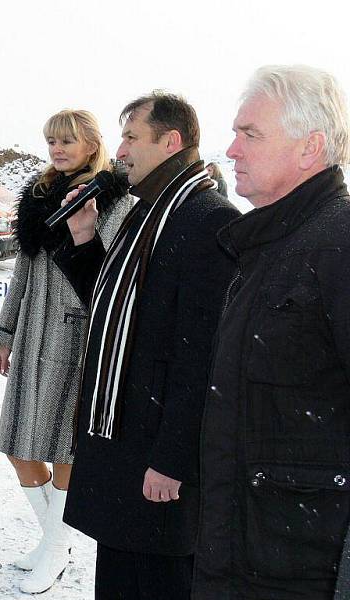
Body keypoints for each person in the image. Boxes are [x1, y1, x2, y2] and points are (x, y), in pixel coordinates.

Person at [55, 91, 240, 599]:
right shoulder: (150, 212)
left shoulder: (207, 220)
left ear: (171, 141)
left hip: (156, 453)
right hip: (126, 441)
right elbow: (120, 307)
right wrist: (85, 238)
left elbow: (202, 358)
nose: (120, 150)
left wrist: (172, 460)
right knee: (120, 575)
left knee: (158, 582)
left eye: (132, 137)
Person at [194, 65, 350, 600]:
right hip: (244, 556)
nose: (231, 150)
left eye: (250, 134)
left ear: (310, 148)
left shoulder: (338, 247)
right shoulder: (267, 246)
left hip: (301, 572)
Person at [0, 109, 131, 594]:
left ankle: (53, 549)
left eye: (68, 140)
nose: (58, 148)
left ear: (93, 143)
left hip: (80, 337)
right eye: (52, 140)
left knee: (68, 449)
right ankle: (59, 541)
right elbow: (22, 274)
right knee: (17, 445)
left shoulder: (115, 199)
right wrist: (6, 332)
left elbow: (110, 276)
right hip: (33, 335)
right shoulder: (37, 196)